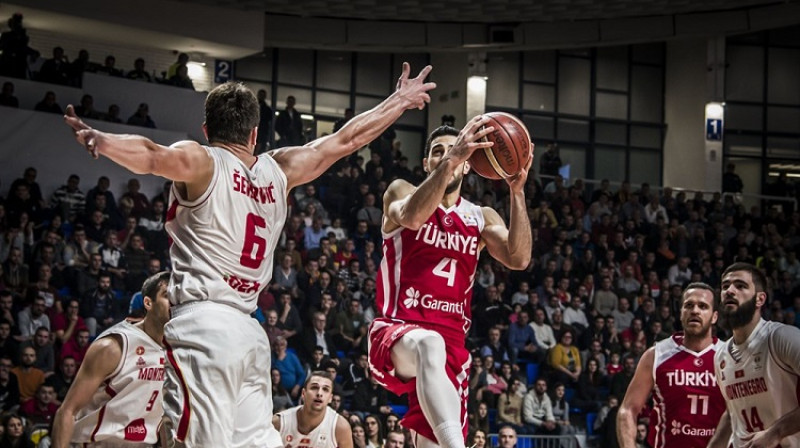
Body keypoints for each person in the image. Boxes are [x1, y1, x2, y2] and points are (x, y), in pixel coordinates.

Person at [64, 62, 435, 447]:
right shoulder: (281, 169)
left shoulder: (202, 161)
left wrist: (103, 141)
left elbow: (151, 154)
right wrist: (398, 101)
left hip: (203, 325)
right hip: (250, 332)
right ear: (255, 133)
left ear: (207, 131)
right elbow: (345, 140)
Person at [368, 119, 532, 448]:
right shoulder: (402, 190)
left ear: (470, 165)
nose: (447, 156)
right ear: (427, 163)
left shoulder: (480, 216)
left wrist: (516, 191)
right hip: (399, 331)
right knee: (429, 344)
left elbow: (519, 258)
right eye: (438, 152)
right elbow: (413, 218)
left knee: (434, 441)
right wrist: (450, 160)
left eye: (454, 150)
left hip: (452, 349)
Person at [51, 271, 171, 447]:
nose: (175, 303)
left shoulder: (176, 352)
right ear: (148, 302)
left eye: (180, 297)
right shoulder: (113, 346)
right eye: (168, 296)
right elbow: (67, 411)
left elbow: (164, 416)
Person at [617, 282, 726, 448]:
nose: (695, 310)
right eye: (689, 305)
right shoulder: (656, 355)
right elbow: (628, 409)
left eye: (703, 306)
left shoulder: (730, 357)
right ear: (681, 313)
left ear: (714, 316)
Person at [708, 262, 800, 448]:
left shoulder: (781, 337)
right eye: (725, 286)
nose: (730, 291)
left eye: (740, 286)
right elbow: (732, 411)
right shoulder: (720, 356)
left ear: (760, 299)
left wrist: (776, 432)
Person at [273, 371, 353, 448]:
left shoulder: (340, 427)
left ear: (330, 398)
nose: (319, 393)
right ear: (303, 394)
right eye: (314, 387)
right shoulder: (278, 422)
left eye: (325, 389)